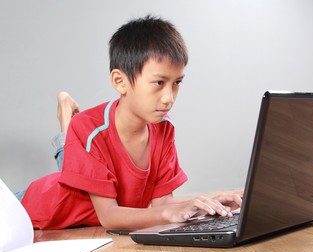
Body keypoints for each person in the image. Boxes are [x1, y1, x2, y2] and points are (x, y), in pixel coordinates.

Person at [20, 15, 242, 231]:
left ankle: (66, 119)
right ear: (120, 82)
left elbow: (163, 205)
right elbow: (109, 216)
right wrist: (170, 213)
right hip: (33, 207)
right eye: (158, 82)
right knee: (78, 139)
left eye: (177, 82)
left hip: (89, 175)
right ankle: (66, 118)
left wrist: (210, 204)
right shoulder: (88, 129)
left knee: (80, 150)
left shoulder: (164, 127)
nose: (169, 97)